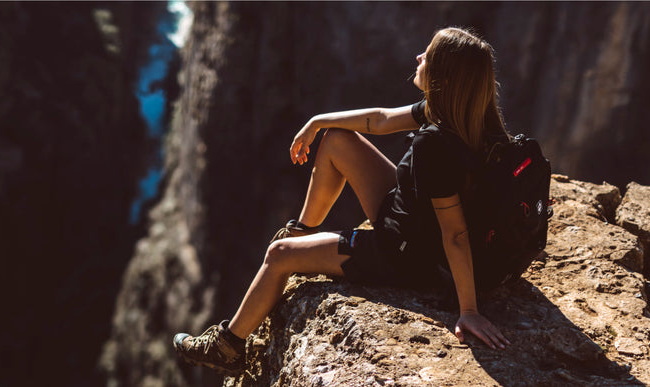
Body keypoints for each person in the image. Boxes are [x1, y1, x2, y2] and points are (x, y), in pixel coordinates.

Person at [173, 27, 513, 376]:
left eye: (427, 54)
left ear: (443, 75)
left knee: (279, 257)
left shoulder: (436, 146)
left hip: (403, 252)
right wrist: (317, 122)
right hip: (410, 216)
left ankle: (226, 347)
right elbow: (380, 120)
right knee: (337, 140)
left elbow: (454, 233)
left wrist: (468, 308)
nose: (418, 58)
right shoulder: (467, 116)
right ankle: (304, 229)